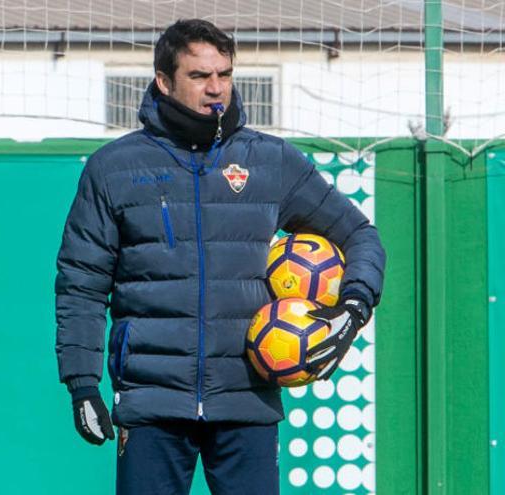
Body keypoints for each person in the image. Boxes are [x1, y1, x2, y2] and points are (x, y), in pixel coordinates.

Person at [54, 18, 385, 495]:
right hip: (151, 403)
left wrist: (352, 310)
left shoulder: (270, 162)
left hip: (246, 399)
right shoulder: (114, 168)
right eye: (199, 76)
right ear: (163, 82)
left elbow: (360, 234)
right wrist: (82, 383)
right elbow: (81, 283)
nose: (216, 89)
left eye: (224, 74)